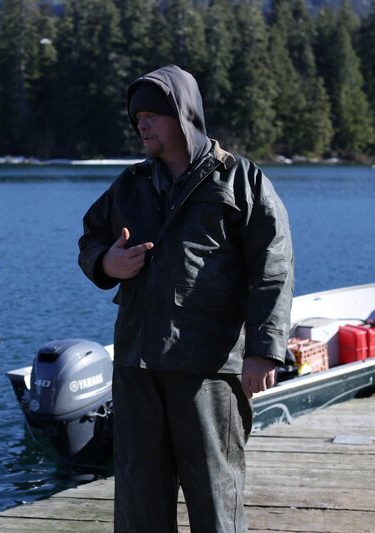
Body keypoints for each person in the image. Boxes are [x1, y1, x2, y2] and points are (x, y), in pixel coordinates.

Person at [78, 65, 294, 532]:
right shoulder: (130, 185)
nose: (142, 124)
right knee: (139, 504)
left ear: (185, 115)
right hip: (137, 366)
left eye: (152, 114)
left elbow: (273, 270)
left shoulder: (241, 181)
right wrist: (105, 264)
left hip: (209, 369)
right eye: (137, 117)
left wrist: (263, 351)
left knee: (217, 500)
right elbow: (91, 240)